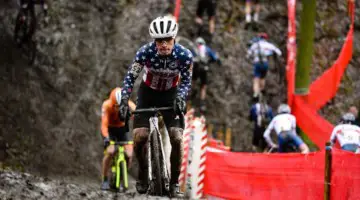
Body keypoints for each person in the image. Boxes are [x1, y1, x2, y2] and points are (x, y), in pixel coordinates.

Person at [118, 16, 193, 197]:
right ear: (154, 41)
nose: (164, 44)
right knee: (139, 137)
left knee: (176, 137)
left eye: (167, 40)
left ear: (174, 38)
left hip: (171, 95)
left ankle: (174, 182)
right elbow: (130, 77)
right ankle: (143, 174)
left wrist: (181, 98)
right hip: (148, 94)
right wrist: (124, 100)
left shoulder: (185, 55)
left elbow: (186, 81)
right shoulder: (145, 53)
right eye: (159, 41)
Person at [100, 87, 136, 190]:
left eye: (121, 106)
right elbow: (104, 125)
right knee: (110, 152)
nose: (118, 108)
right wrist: (107, 138)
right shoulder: (106, 106)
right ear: (112, 103)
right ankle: (105, 179)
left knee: (129, 154)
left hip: (122, 129)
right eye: (116, 106)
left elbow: (137, 116)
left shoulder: (130, 105)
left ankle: (122, 177)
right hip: (110, 130)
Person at [246, 32, 282, 101]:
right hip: (265, 63)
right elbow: (279, 52)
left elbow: (248, 55)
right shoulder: (269, 45)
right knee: (262, 78)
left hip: (257, 63)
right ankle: (261, 90)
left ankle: (256, 93)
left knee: (256, 79)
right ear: (266, 38)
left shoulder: (255, 45)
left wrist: (252, 57)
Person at [192, 37, 221, 113]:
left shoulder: (194, 48)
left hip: (196, 67)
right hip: (204, 68)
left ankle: (192, 92)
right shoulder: (207, 49)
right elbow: (215, 58)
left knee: (193, 79)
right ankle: (202, 104)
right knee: (203, 86)